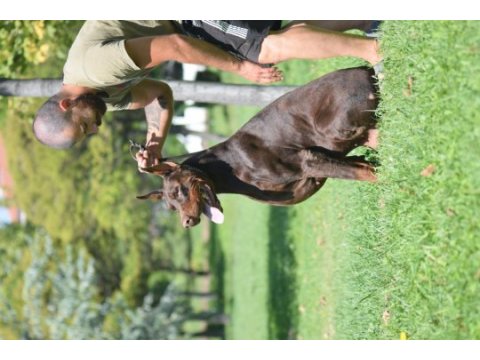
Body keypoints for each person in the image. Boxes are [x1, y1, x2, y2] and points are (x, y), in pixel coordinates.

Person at [33, 20, 382, 170]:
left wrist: (239, 68)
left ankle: (375, 52)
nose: (94, 129)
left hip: (181, 19)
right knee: (270, 37)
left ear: (67, 104)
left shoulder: (95, 69)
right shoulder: (100, 97)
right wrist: (155, 143)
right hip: (182, 23)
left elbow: (174, 46)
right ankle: (363, 18)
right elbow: (158, 96)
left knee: (261, 50)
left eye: (83, 127)